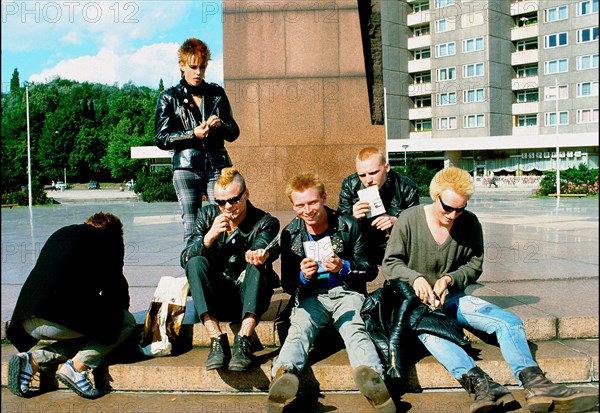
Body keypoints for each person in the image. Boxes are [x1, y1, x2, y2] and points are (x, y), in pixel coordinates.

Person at [382, 167, 598, 413]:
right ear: (435, 196)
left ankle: (537, 385)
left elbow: (474, 265)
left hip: (452, 297)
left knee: (508, 322)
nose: (453, 215)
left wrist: (449, 279)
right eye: (447, 208)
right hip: (418, 306)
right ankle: (484, 387)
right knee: (432, 337)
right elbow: (391, 263)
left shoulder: (470, 223)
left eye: (460, 209)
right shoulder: (409, 219)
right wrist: (415, 278)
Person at [268, 173, 396, 413]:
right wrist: (303, 277)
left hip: (347, 292)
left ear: (324, 198)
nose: (308, 210)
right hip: (311, 296)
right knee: (299, 327)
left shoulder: (349, 224)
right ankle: (282, 376)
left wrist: (344, 267)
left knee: (355, 329)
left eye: (313, 202)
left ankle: (374, 380)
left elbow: (369, 269)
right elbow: (287, 283)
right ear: (293, 206)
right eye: (300, 205)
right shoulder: (290, 233)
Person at [7, 212, 136, 399]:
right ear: (115, 233)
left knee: (92, 328)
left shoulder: (62, 232)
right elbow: (116, 293)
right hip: (58, 318)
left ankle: (33, 360)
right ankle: (77, 367)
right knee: (125, 323)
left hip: (25, 321)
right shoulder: (110, 241)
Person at [181, 167, 280, 372]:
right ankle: (216, 339)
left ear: (246, 194)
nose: (227, 207)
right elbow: (185, 258)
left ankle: (243, 340)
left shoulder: (265, 221)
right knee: (195, 262)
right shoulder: (207, 216)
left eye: (234, 199)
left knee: (258, 265)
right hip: (215, 297)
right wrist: (209, 238)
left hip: (248, 297)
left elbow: (262, 244)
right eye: (220, 202)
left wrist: (259, 253)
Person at [156, 37, 240, 244]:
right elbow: (161, 138)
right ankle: (194, 272)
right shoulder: (169, 97)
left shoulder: (216, 93)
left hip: (217, 165)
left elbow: (234, 132)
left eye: (202, 67)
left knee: (225, 220)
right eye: (193, 67)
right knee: (192, 225)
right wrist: (192, 133)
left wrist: (220, 124)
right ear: (182, 65)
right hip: (186, 166)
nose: (198, 72)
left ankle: (222, 272)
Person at [338, 147, 419, 264]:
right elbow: (339, 225)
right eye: (362, 175)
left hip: (396, 244)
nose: (368, 180)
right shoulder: (350, 185)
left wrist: (397, 221)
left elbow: (416, 223)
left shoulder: (406, 186)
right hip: (363, 244)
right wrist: (351, 217)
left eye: (373, 173)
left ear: (386, 167)